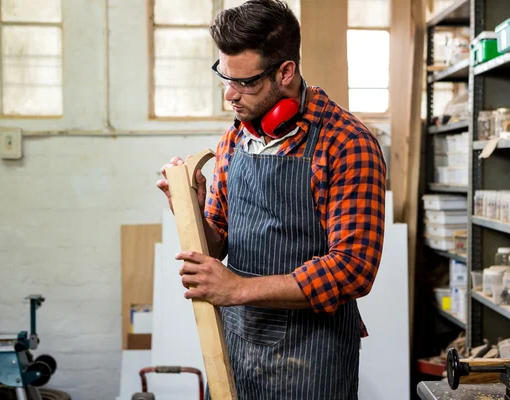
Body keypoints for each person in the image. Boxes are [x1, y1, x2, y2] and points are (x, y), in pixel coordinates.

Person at [157, 0, 387, 398]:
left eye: (245, 83)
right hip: (237, 348)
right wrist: (190, 210)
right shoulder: (235, 139)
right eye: (224, 78)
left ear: (285, 72)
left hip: (312, 357)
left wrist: (237, 289)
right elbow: (220, 241)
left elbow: (353, 269)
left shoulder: (347, 144)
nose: (230, 95)